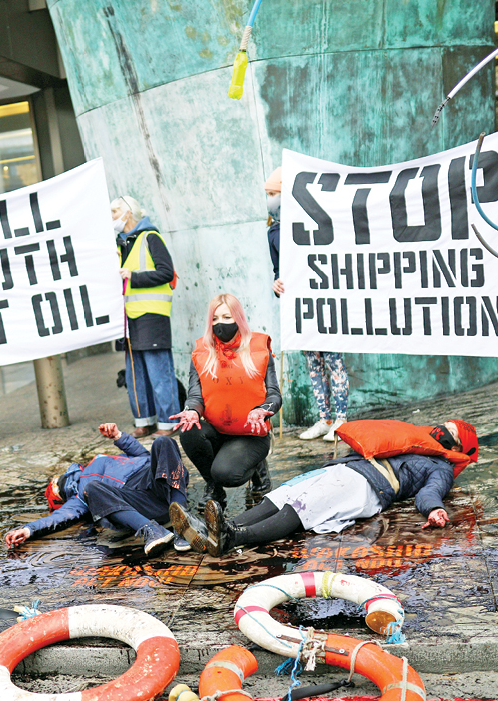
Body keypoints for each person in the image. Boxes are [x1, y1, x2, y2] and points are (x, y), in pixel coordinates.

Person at [172, 420, 479, 556]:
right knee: (281, 496)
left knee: (301, 508)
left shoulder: (441, 466)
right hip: (342, 469)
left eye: (450, 433)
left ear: (457, 448)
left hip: (367, 484)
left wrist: (434, 508)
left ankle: (232, 538)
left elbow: (431, 490)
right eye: (445, 425)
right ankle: (214, 529)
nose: (441, 430)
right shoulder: (416, 441)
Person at [3, 423, 191, 557]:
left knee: (164, 443)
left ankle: (182, 524)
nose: (53, 481)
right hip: (136, 499)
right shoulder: (80, 496)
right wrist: (28, 530)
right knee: (92, 488)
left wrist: (118, 436)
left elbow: (143, 456)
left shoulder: (99, 462)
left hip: (157, 482)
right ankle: (153, 531)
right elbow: (59, 517)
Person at [171, 294, 280, 513]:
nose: (220, 323)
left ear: (238, 318)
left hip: (251, 434)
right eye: (215, 318)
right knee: (189, 430)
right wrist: (191, 411)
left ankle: (258, 467)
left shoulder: (258, 348)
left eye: (227, 317)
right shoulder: (201, 352)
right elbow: (195, 396)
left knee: (227, 474)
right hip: (218, 430)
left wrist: (262, 410)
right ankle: (214, 488)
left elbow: (274, 395)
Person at [267, 167, 350, 442]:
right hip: (301, 310)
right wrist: (277, 285)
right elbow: (279, 271)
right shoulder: (273, 232)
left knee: (334, 362)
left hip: (325, 304)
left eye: (274, 193)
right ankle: (325, 419)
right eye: (268, 194)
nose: (270, 199)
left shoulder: (315, 224)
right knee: (314, 364)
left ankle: (341, 420)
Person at [113, 196, 177, 437]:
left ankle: (168, 423)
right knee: (134, 374)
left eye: (114, 211)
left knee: (159, 373)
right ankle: (143, 421)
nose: (111, 216)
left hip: (152, 315)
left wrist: (134, 276)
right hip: (128, 318)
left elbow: (167, 273)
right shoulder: (119, 244)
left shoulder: (151, 237)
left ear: (128, 213)